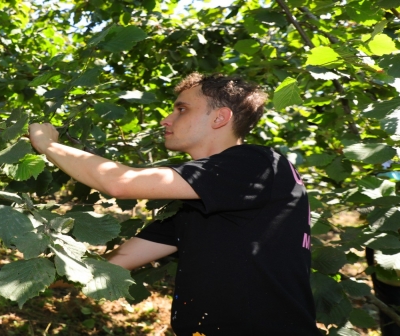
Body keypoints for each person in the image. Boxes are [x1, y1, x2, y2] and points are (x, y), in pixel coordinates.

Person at [28, 73, 318, 335]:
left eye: (182, 109)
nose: (166, 119)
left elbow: (120, 182)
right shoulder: (202, 201)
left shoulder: (257, 164)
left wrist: (48, 145)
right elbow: (116, 263)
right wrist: (11, 278)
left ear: (220, 118)